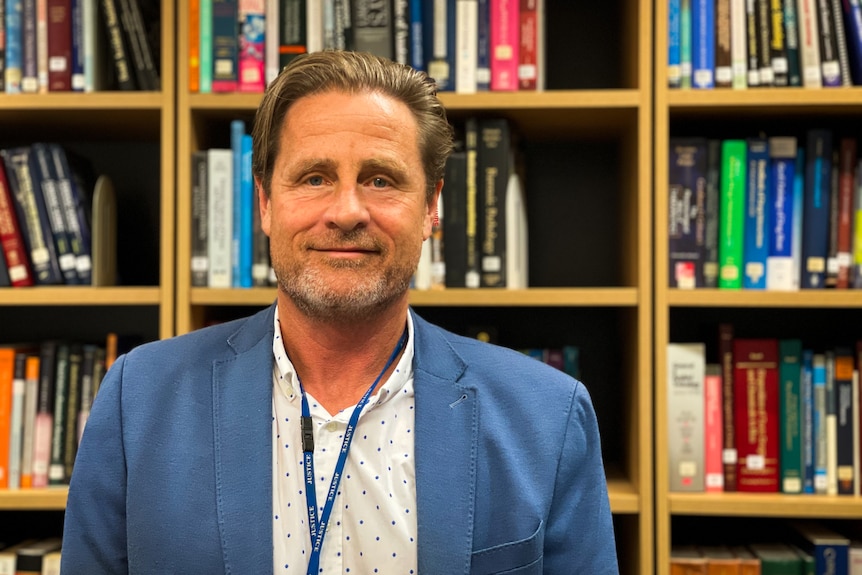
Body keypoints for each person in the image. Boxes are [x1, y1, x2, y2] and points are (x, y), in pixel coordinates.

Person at [61, 50, 619, 574]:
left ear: (431, 209)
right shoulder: (138, 400)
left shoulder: (549, 418)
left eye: (381, 180)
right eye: (314, 178)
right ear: (264, 203)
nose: (347, 211)